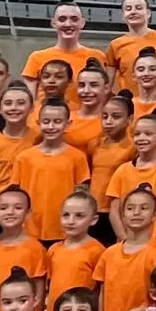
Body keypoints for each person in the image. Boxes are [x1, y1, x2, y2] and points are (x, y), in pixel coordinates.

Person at [92, 183, 156, 311]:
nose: (136, 213)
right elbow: (102, 296)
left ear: (154, 215)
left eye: (144, 208)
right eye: (130, 208)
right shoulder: (109, 254)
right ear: (123, 214)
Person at [15, 98, 91, 245]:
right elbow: (17, 195)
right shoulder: (24, 158)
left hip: (65, 229)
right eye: (46, 121)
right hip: (30, 229)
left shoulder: (77, 157)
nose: (51, 126)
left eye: (57, 121)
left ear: (67, 124)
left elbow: (82, 196)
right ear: (38, 123)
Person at [105, 108, 156, 239]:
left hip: (155, 243)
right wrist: (125, 240)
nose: (141, 138)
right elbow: (114, 212)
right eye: (137, 134)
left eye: (148, 134)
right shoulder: (123, 170)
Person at [22, 0, 103, 100]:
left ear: (82, 23)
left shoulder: (97, 56)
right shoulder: (36, 57)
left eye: (74, 19)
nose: (68, 24)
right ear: (53, 23)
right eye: (62, 19)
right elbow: (29, 101)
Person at [83, 92, 134, 245]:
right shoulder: (94, 145)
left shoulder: (133, 147)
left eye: (116, 117)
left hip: (117, 211)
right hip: (94, 210)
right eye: (105, 117)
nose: (109, 121)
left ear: (129, 119)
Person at [46, 187, 105, 309]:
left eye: (79, 216)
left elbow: (101, 291)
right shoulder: (53, 250)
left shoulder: (97, 251)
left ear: (93, 220)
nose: (71, 221)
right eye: (66, 215)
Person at [106, 0, 156, 94]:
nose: (133, 12)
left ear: (148, 13)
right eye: (128, 9)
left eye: (139, 8)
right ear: (123, 16)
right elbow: (108, 85)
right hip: (129, 101)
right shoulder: (115, 45)